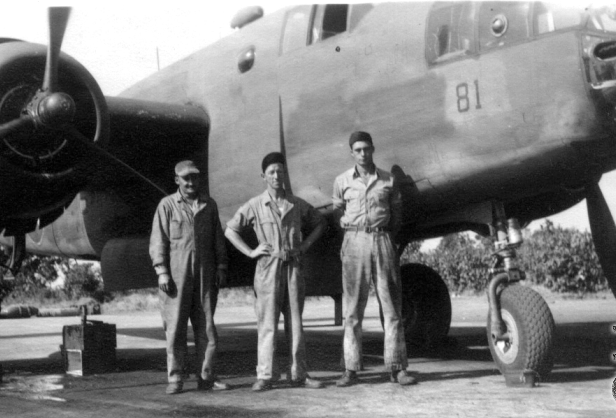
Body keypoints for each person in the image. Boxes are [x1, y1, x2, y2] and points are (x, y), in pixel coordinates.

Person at [225, 152, 327, 391]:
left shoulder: (296, 204)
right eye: (271, 172)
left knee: (295, 324)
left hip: (292, 268)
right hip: (267, 270)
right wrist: (251, 252)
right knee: (267, 324)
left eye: (280, 171)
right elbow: (231, 230)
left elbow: (320, 223)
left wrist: (304, 246)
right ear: (264, 176)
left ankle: (299, 374)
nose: (276, 175)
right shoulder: (255, 205)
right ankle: (265, 375)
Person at [332, 132, 416, 387]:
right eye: (357, 150)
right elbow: (337, 212)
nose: (362, 154)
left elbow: (398, 213)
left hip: (382, 240)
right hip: (354, 241)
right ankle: (351, 368)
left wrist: (387, 237)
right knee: (353, 310)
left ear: (373, 150)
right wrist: (350, 237)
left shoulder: (388, 180)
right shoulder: (342, 181)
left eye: (366, 149)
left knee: (392, 308)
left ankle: (397, 368)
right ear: (351, 153)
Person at [149, 160, 230, 394]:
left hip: (205, 276)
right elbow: (158, 241)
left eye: (195, 177)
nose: (191, 182)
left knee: (206, 328)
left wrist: (222, 266)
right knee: (175, 329)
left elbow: (218, 239)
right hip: (176, 277)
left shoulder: (209, 205)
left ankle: (206, 376)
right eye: (186, 178)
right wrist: (161, 271)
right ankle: (175, 378)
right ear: (177, 180)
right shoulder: (166, 206)